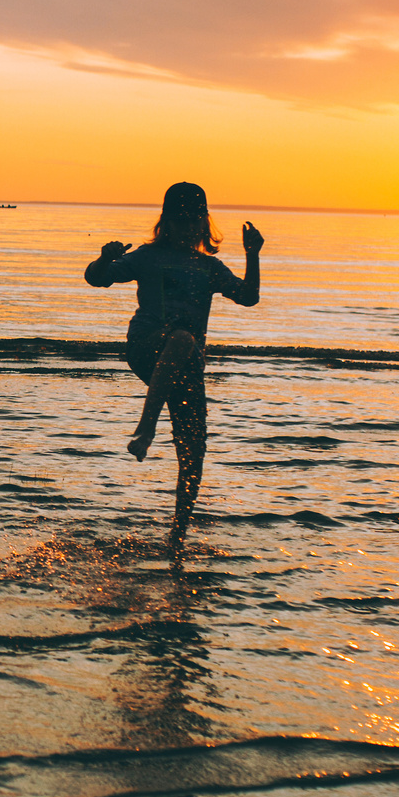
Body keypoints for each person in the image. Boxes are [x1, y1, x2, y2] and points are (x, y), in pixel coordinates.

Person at [85, 183, 263, 541]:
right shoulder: (148, 257)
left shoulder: (208, 266)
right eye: (180, 221)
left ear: (204, 223)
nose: (188, 228)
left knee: (194, 450)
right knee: (182, 337)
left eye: (195, 220)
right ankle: (146, 429)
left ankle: (177, 537)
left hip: (187, 366)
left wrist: (253, 254)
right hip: (146, 347)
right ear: (165, 222)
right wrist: (106, 257)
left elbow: (248, 297)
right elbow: (96, 278)